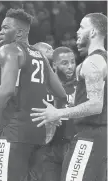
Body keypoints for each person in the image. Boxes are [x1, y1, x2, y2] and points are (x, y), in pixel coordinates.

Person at [0, 8, 67, 181]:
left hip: (11, 133)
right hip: (38, 137)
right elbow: (61, 93)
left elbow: (6, 90)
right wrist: (54, 117)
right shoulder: (40, 56)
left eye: (5, 28)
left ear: (19, 32)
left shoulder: (9, 50)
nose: (0, 31)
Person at [31, 13, 107, 181]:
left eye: (82, 27)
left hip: (90, 136)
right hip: (98, 136)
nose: (78, 31)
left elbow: (95, 105)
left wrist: (58, 113)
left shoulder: (93, 62)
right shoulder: (102, 60)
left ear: (93, 32)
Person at [32, 45, 77, 181]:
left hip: (72, 144)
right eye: (65, 63)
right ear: (54, 65)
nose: (70, 66)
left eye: (73, 62)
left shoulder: (81, 86)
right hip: (48, 148)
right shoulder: (42, 86)